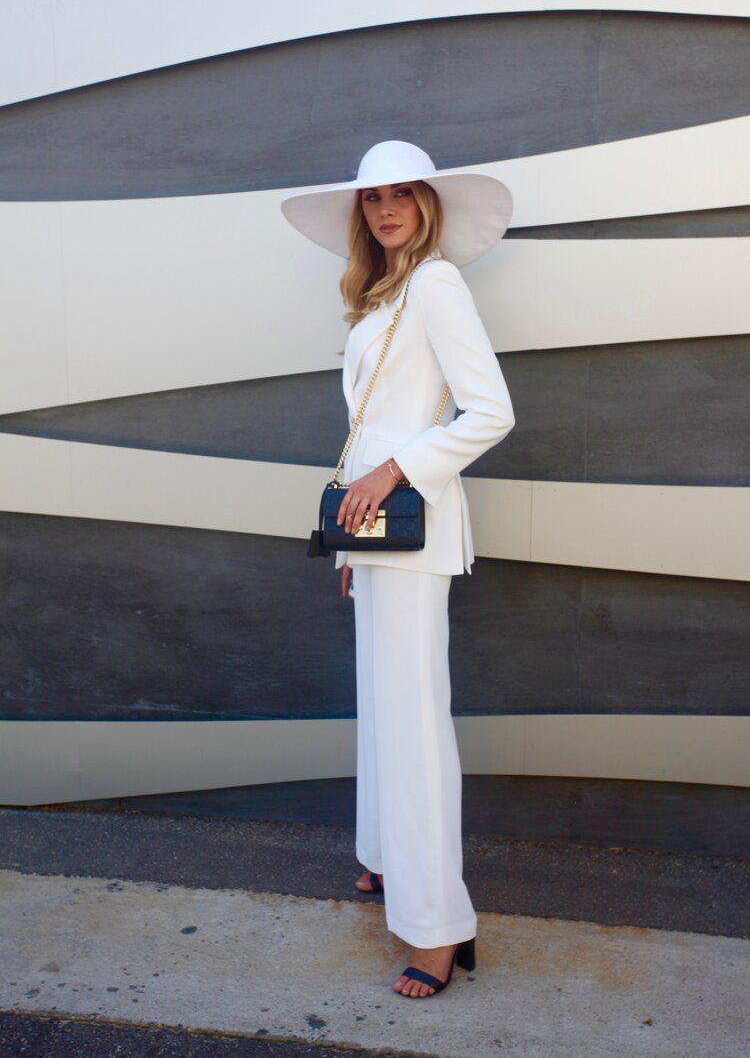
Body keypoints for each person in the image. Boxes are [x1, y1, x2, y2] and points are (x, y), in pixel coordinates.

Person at [281, 141, 516, 998]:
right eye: (372, 198)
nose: (386, 210)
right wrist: (353, 538)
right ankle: (384, 861)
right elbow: (369, 427)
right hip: (375, 534)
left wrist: (395, 475)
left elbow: (491, 409)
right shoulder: (377, 295)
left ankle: (438, 929)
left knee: (414, 721)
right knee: (384, 706)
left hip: (413, 525)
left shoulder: (436, 283)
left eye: (401, 196)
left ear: (425, 204)